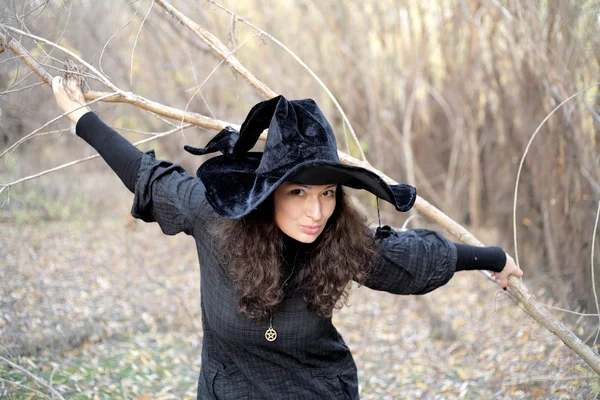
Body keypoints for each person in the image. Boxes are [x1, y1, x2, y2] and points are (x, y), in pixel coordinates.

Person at [52, 75, 523, 399]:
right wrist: (80, 116)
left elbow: (415, 258)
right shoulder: (216, 218)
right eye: (298, 191)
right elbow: (146, 174)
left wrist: (493, 256)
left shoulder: (342, 242)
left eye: (327, 193)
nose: (315, 211)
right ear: (271, 190)